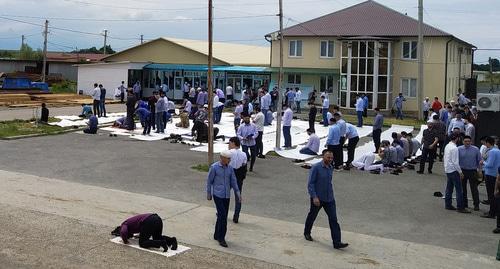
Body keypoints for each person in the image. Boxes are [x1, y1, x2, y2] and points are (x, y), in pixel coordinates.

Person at [304, 149, 348, 249]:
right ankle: (307, 232)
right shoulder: (316, 168)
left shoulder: (330, 167)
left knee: (333, 219)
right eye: (328, 157)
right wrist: (314, 197)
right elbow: (311, 184)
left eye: (331, 158)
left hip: (329, 199)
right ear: (323, 157)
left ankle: (337, 242)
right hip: (318, 198)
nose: (330, 159)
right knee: (312, 215)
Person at [206, 150, 241, 248]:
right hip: (218, 195)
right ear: (222, 158)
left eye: (230, 159)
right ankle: (221, 238)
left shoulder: (230, 168)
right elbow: (209, 181)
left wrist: (238, 193)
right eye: (228, 159)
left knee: (222, 215)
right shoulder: (214, 168)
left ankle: (217, 234)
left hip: (226, 195)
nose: (229, 161)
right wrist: (209, 193)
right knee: (223, 216)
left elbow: (233, 181)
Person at [110, 213, 177, 252]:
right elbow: (143, 230)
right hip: (156, 218)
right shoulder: (131, 224)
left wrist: (125, 241)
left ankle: (161, 243)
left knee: (142, 243)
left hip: (148, 221)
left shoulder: (124, 224)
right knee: (157, 237)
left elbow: (123, 232)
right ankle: (172, 240)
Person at [444, 134, 471, 213]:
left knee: (449, 188)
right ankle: (460, 207)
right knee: (459, 190)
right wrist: (460, 172)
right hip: (454, 170)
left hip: (448, 169)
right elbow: (455, 162)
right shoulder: (455, 148)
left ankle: (448, 204)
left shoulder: (447, 146)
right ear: (457, 139)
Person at [458, 136, 482, 211]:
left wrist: (480, 171)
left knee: (474, 188)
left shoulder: (475, 149)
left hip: (472, 171)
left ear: (471, 142)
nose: (467, 143)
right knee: (463, 188)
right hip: (462, 171)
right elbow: (456, 160)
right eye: (465, 141)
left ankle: (476, 204)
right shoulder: (459, 149)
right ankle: (464, 203)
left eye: (469, 141)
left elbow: (479, 160)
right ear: (463, 142)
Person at [228, 137, 248, 224]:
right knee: (238, 196)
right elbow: (244, 165)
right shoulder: (244, 154)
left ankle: (222, 212)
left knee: (225, 195)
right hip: (239, 176)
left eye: (229, 143)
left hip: (229, 175)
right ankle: (236, 215)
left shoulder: (229, 153)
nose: (229, 145)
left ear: (233, 143)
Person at [481, 137, 500, 219]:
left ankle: (491, 213)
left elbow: (490, 164)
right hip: (496, 174)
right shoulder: (498, 150)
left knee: (491, 195)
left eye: (486, 143)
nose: (485, 144)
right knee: (495, 194)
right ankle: (494, 211)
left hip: (490, 174)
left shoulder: (492, 152)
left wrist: (483, 162)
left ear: (488, 143)